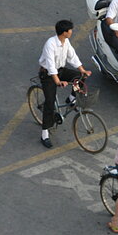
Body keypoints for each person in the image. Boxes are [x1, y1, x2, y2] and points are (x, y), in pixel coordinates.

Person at [38, 20, 92, 149]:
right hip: (48, 75)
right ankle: (44, 133)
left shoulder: (66, 42)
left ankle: (71, 98)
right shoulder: (50, 44)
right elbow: (50, 66)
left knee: (80, 77)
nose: (72, 32)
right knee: (49, 104)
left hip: (60, 70)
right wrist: (57, 82)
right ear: (64, 32)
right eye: (70, 30)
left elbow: (72, 57)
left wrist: (83, 70)